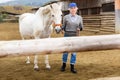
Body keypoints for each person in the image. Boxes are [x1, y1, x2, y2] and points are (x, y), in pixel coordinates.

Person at [60, 2, 83, 73]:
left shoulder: (79, 18)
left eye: (74, 8)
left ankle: (72, 67)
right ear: (69, 9)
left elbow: (81, 27)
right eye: (71, 8)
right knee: (65, 51)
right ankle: (63, 65)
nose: (73, 9)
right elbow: (63, 27)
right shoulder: (65, 17)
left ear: (76, 9)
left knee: (74, 52)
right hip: (67, 36)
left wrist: (79, 28)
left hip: (75, 36)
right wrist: (62, 30)